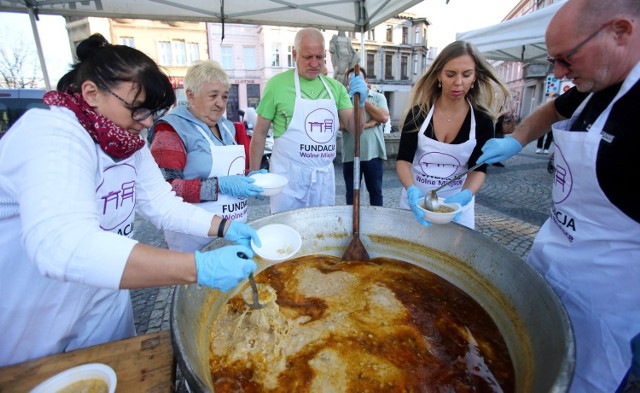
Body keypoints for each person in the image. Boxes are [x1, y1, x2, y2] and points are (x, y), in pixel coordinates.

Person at [0, 34, 261, 367]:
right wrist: (198, 267)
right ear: (91, 93)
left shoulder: (129, 145)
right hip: (37, 308)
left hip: (105, 294)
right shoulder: (50, 132)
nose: (148, 122)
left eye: (152, 111)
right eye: (138, 109)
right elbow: (61, 246)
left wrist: (225, 227)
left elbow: (163, 205)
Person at [477, 0, 640, 390]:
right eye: (554, 60)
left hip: (606, 301)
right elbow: (552, 109)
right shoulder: (592, 86)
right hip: (550, 262)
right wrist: (516, 140)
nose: (559, 72)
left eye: (566, 58)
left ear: (620, 31)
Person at [249, 27, 367, 214]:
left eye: (319, 57)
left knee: (319, 232)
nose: (314, 63)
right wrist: (253, 172)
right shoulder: (276, 85)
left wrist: (360, 103)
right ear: (295, 54)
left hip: (323, 177)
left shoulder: (335, 88)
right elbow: (260, 133)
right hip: (288, 177)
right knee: (287, 230)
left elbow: (356, 129)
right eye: (307, 57)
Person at [150, 60, 264, 252]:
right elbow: (165, 191)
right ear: (191, 96)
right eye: (213, 96)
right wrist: (220, 186)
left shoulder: (227, 127)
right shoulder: (171, 131)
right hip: (193, 237)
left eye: (225, 96)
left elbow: (229, 170)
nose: (220, 103)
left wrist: (247, 178)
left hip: (231, 229)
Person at [396, 40, 510, 229]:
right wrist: (411, 189)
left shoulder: (482, 121)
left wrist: (464, 197)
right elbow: (404, 160)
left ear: (474, 77)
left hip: (457, 209)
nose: (458, 82)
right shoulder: (418, 114)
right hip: (415, 204)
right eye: (450, 74)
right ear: (439, 75)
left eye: (466, 75)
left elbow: (478, 169)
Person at [341, 66, 389, 206]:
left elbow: (383, 117)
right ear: (348, 84)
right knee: (351, 194)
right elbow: (341, 125)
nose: (354, 83)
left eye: (359, 80)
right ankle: (352, 225)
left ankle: (376, 225)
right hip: (350, 155)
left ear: (366, 81)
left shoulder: (378, 97)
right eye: (351, 81)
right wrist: (371, 123)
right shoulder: (344, 100)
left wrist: (363, 100)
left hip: (372, 155)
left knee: (375, 192)